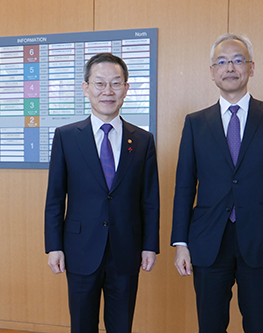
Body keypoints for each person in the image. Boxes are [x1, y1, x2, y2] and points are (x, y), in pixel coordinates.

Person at [171, 33, 263, 332]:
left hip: (262, 241)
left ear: (251, 68)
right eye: (222, 61)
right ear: (212, 72)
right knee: (210, 325)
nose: (230, 67)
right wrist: (180, 242)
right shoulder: (195, 123)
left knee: (259, 325)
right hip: (207, 241)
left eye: (238, 60)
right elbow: (183, 186)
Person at [45, 53, 159, 333]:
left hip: (126, 249)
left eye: (115, 83)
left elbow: (150, 199)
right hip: (80, 249)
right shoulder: (67, 136)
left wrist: (149, 245)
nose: (108, 91)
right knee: (82, 326)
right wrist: (54, 246)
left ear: (126, 88)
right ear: (86, 88)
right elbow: (55, 197)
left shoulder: (142, 140)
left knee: (121, 326)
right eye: (99, 83)